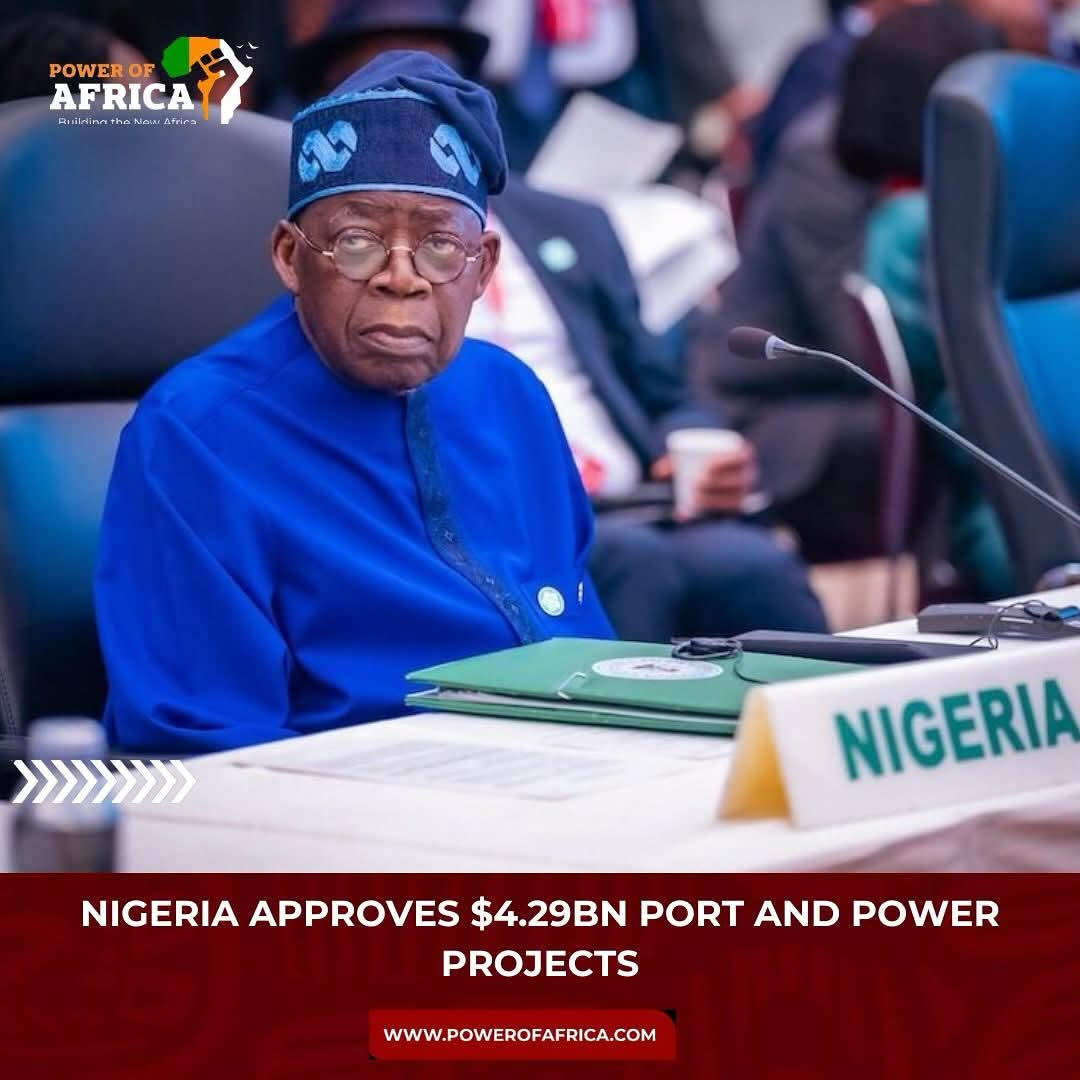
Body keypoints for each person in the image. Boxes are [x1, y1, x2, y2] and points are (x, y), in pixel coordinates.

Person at [94, 52, 614, 753]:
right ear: (290, 256)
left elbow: (585, 648)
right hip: (357, 795)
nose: (402, 278)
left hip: (571, 768)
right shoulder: (196, 432)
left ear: (484, 267)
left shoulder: (511, 393)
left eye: (440, 246)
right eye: (357, 242)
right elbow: (205, 741)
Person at [479, 177, 827, 640]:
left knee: (752, 565)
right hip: (511, 513)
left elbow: (665, 393)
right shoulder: (404, 249)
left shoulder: (566, 220)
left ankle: (838, 689)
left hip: (639, 500)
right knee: (633, 563)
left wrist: (698, 449)